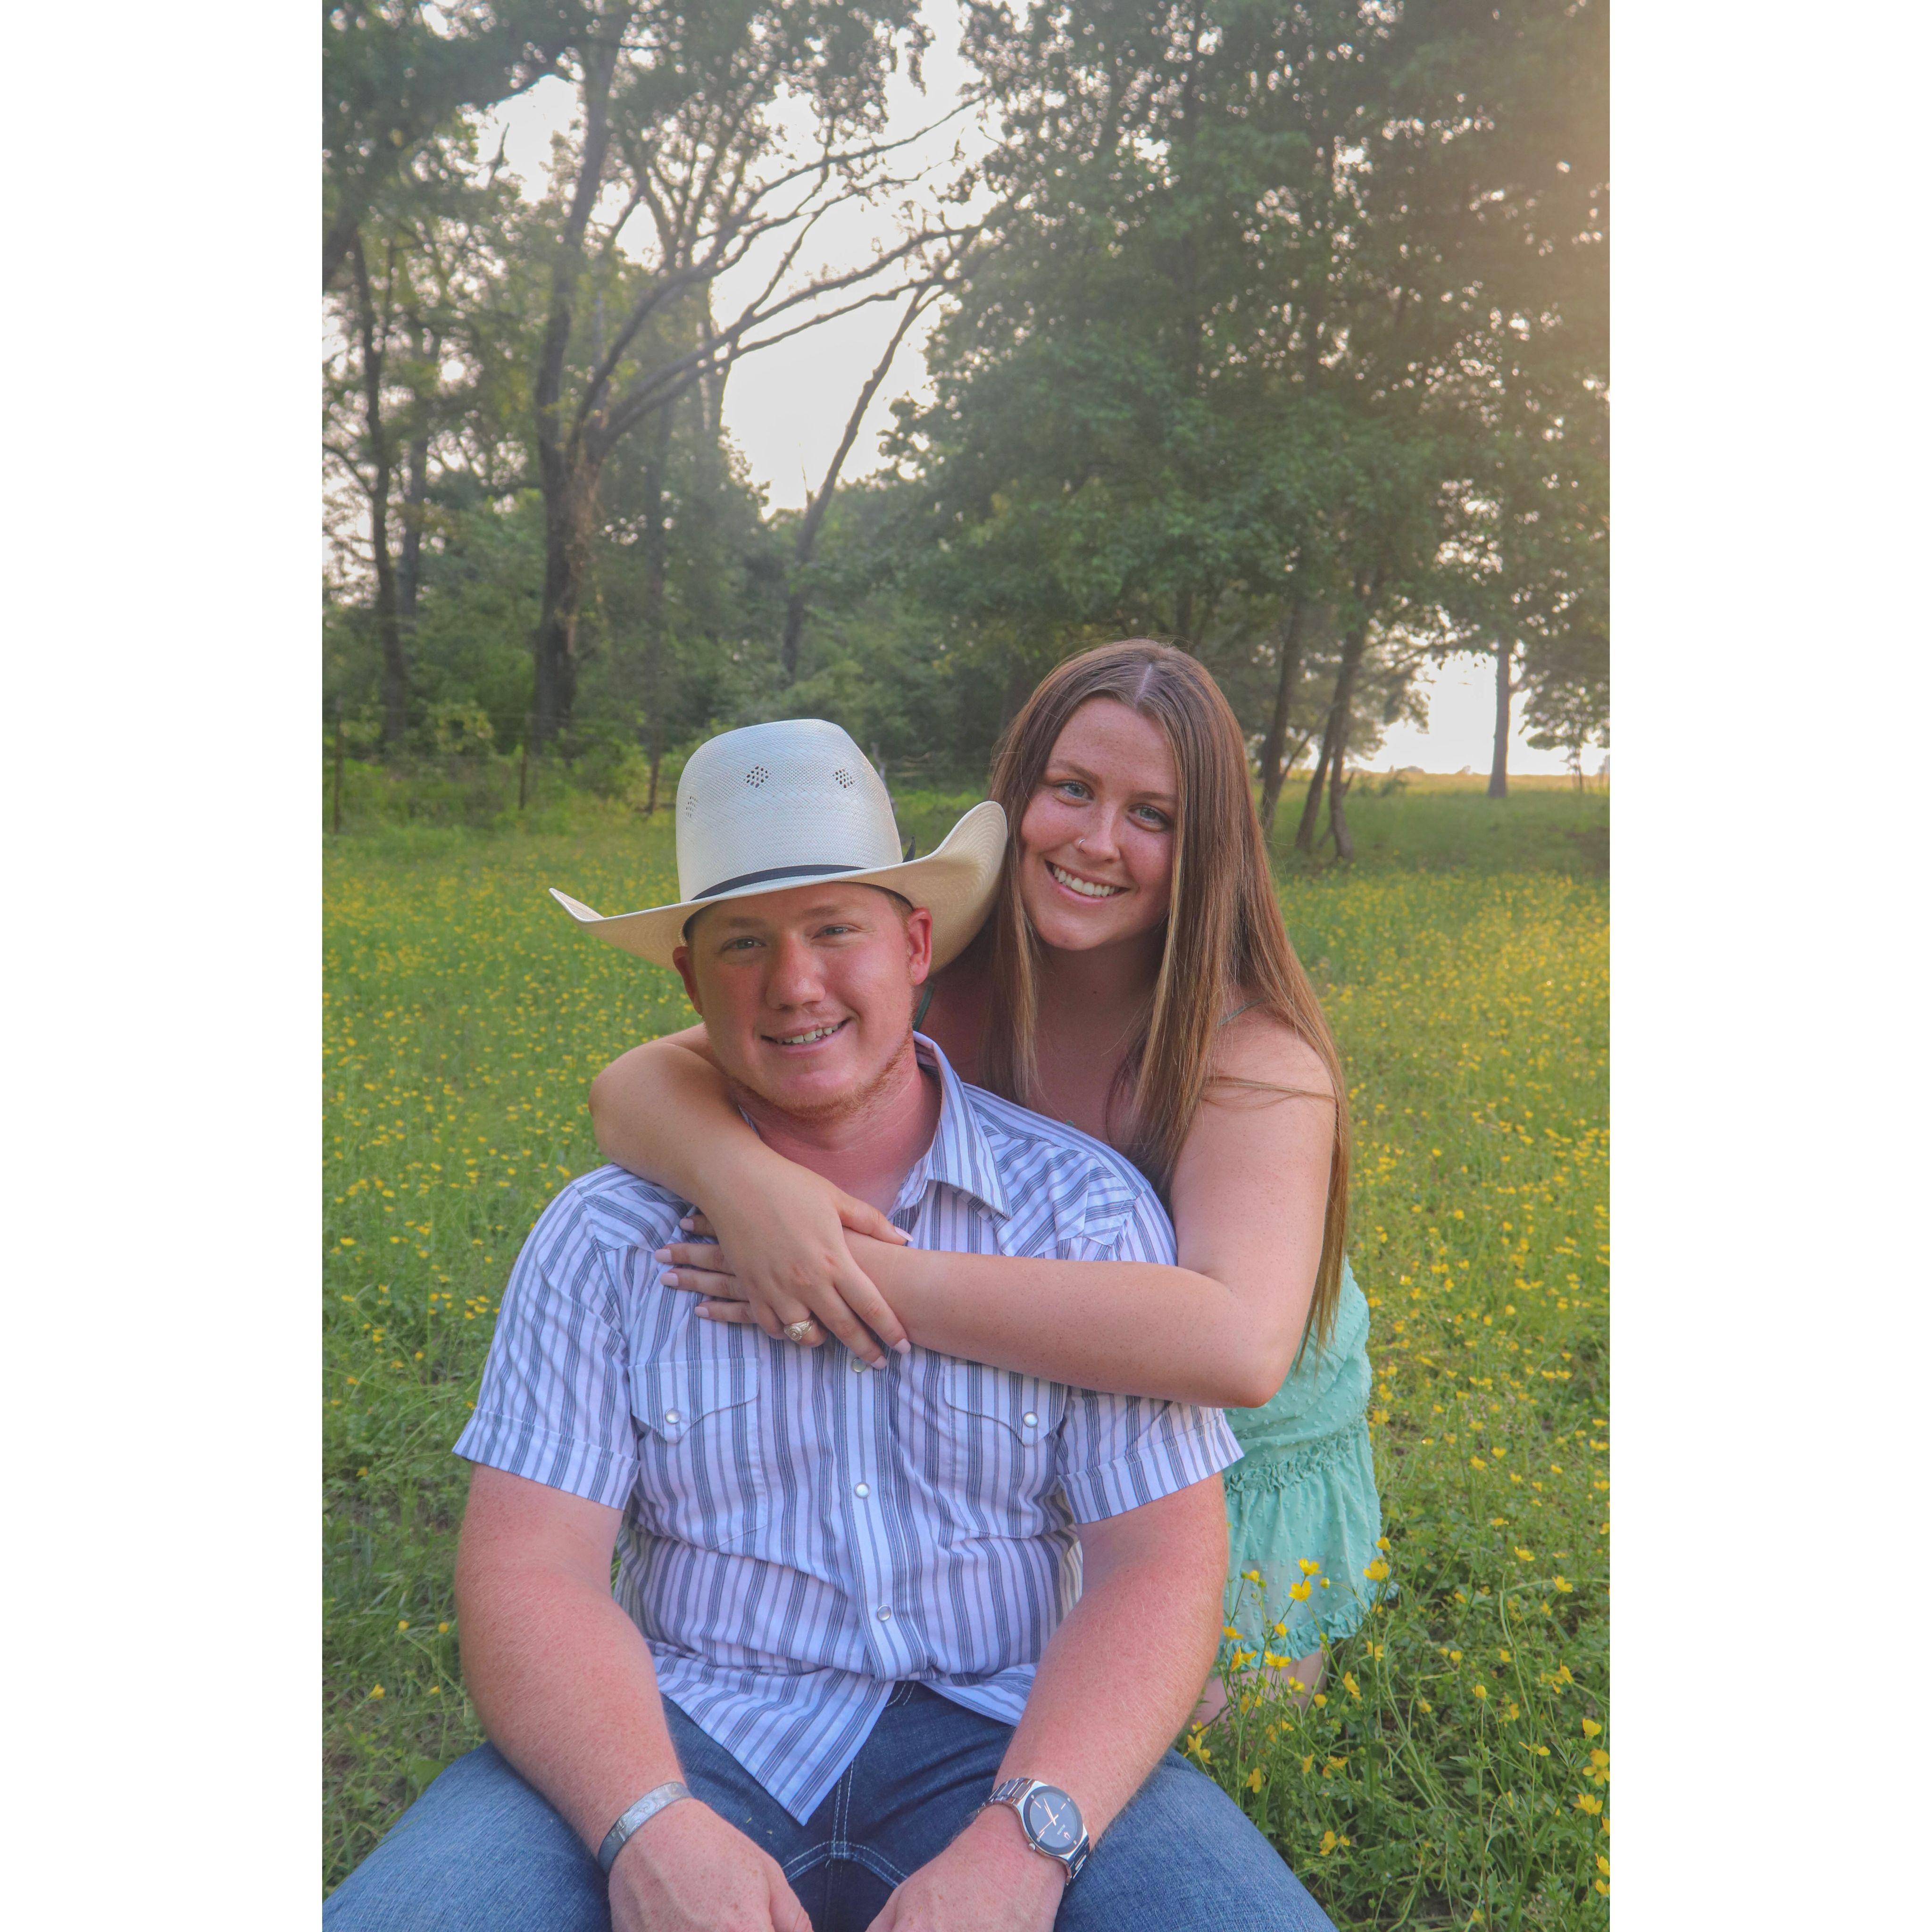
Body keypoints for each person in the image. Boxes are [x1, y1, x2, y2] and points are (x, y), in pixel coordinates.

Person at [323, 716, 1333, 1932]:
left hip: (1009, 1731)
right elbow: (529, 1566)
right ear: (689, 983)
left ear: (915, 945)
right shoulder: (605, 1235)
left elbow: (1155, 1560)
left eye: (834, 929)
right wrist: (646, 1820)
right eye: (743, 943)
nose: (793, 983)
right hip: (684, 1725)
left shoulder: (1085, 1209)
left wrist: (1025, 1842)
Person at [589, 644, 1383, 1713]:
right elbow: (631, 1087)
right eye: (1072, 789)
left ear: (1206, 847)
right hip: (1030, 1441)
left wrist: (842, 1274)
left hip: (1232, 1467)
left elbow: (1237, 1347)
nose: (1096, 841)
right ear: (1018, 794)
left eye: (1153, 815)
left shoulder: (1252, 1054)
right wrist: (749, 1190)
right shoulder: (940, 982)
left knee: (1175, 1733)